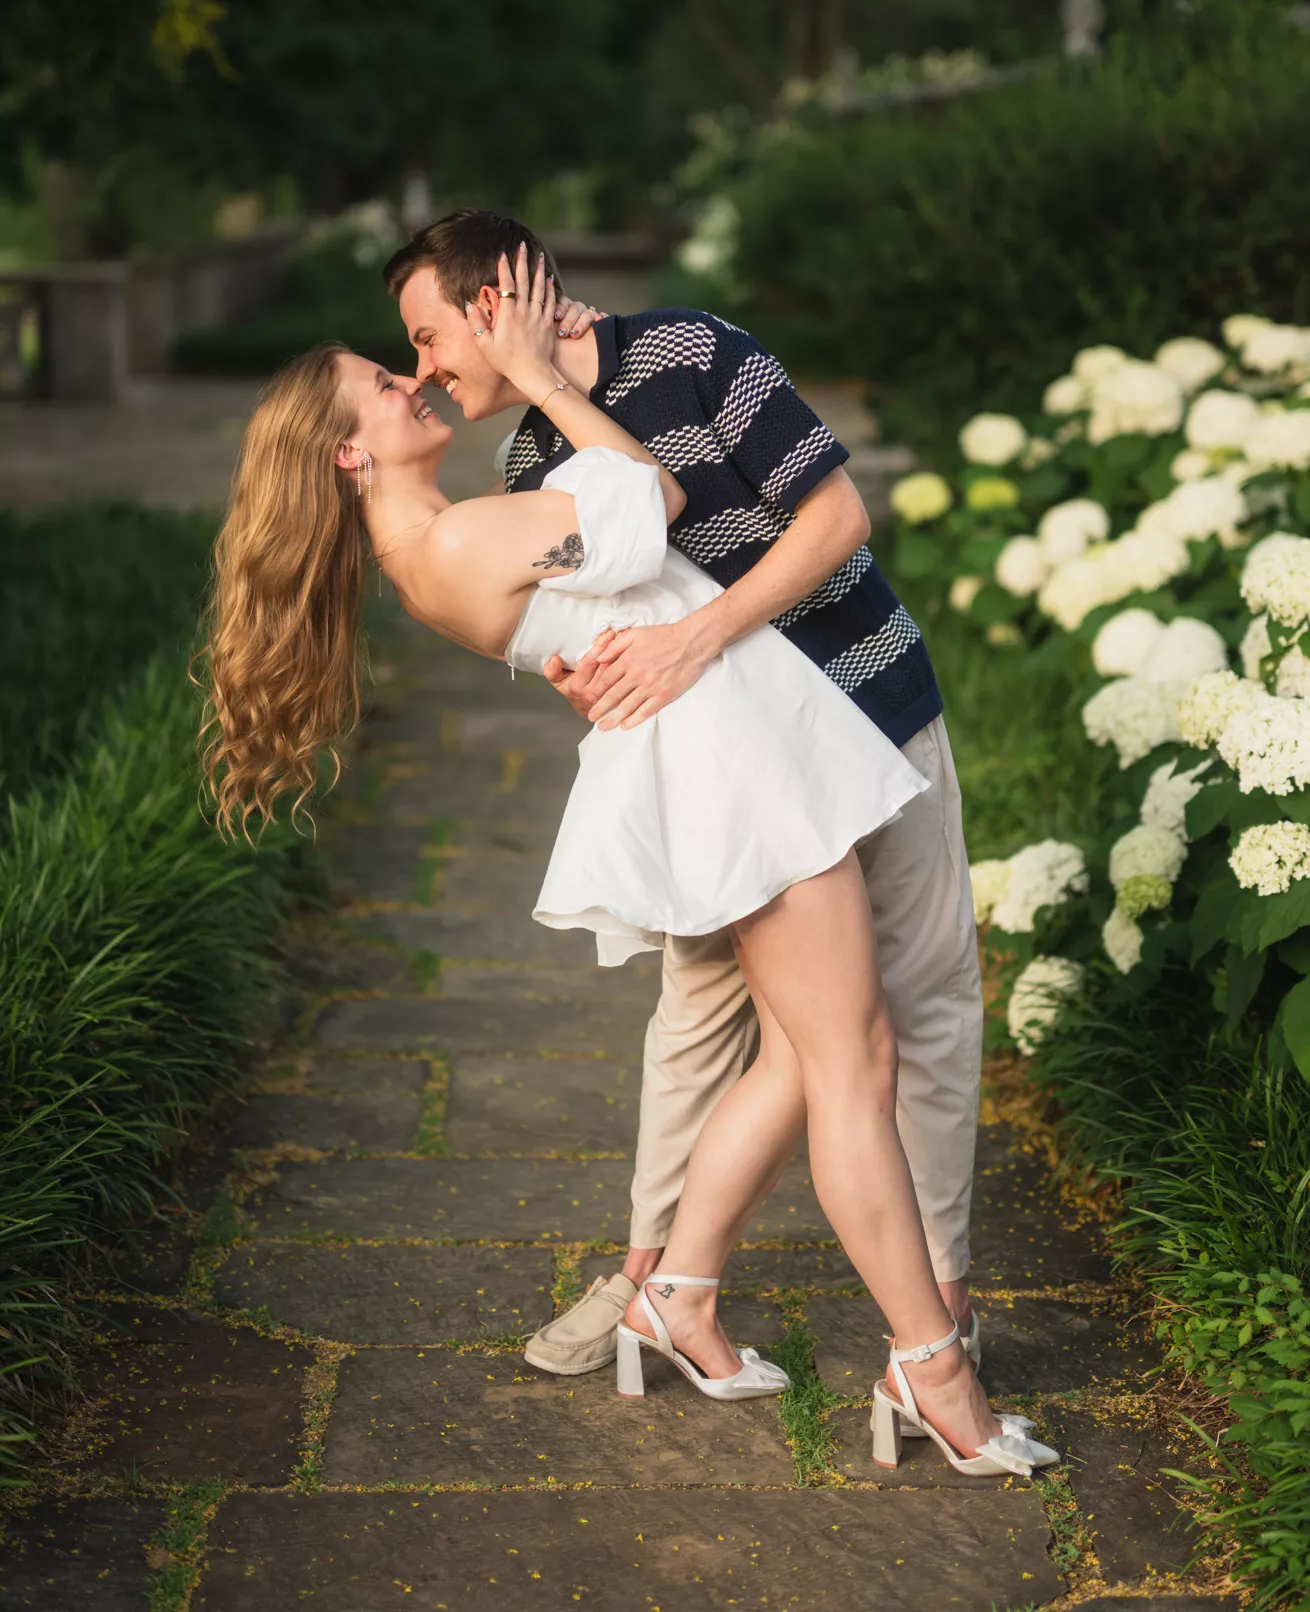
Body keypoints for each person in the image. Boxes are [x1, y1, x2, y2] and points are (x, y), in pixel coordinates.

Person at [201, 247, 1050, 1478]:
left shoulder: (446, 537)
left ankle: (679, 1296)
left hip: (736, 736)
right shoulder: (458, 539)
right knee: (853, 1055)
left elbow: (605, 581)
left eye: (412, 354)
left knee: (801, 1050)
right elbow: (646, 496)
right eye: (385, 383)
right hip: (733, 761)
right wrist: (545, 377)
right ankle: (933, 1365)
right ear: (347, 454)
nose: (413, 383)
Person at [381, 210, 984, 1387]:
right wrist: (584, 675)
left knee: (925, 1005)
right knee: (698, 1020)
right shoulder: (532, 466)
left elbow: (838, 522)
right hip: (737, 777)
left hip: (872, 707)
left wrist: (696, 639)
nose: (425, 371)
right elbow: (606, 623)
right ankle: (652, 1273)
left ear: (491, 308)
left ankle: (949, 1304)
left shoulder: (695, 354)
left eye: (427, 335)